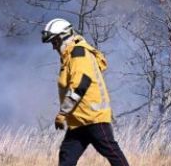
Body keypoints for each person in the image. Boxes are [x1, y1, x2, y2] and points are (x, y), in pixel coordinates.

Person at [42, 18, 130, 166]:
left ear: (63, 37)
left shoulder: (79, 54)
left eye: (54, 42)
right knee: (66, 157)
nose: (53, 47)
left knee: (111, 152)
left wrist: (63, 113)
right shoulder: (70, 57)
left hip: (94, 118)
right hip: (78, 120)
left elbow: (80, 86)